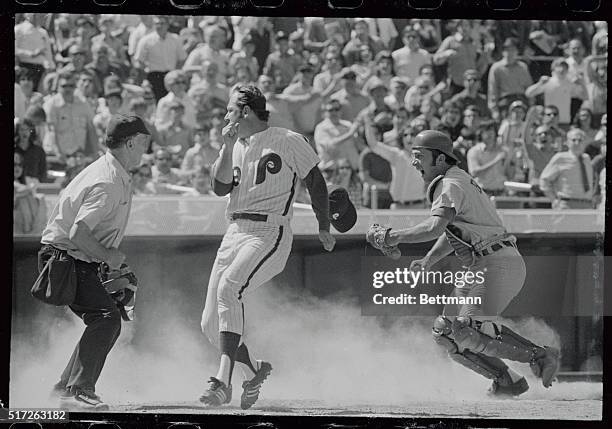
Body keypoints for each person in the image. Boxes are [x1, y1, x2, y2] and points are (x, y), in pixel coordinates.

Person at [365, 129, 560, 397]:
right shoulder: (456, 179)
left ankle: (540, 356)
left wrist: (393, 236)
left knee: (468, 329)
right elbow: (451, 231)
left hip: (496, 262)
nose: (414, 162)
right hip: (482, 263)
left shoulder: (449, 184)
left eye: (420, 156)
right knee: (446, 331)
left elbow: (435, 227)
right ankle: (507, 381)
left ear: (441, 159)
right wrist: (428, 260)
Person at [199, 85, 336, 409]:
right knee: (209, 325)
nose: (226, 114)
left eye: (231, 109)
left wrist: (323, 225)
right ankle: (255, 370)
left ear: (246, 111)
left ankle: (222, 383)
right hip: (233, 229)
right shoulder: (235, 144)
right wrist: (226, 144)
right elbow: (219, 188)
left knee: (229, 290)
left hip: (268, 230)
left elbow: (315, 182)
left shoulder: (287, 139)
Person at [42, 115, 151, 409]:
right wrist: (109, 258)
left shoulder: (113, 171)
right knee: (106, 318)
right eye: (143, 142)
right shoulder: (108, 180)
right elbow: (79, 232)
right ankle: (77, 392)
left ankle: (65, 387)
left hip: (74, 257)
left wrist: (107, 262)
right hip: (65, 258)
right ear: (129, 142)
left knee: (104, 318)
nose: (146, 148)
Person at [539, 128, 594, 209]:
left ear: (584, 143)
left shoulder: (587, 158)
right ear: (567, 142)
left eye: (580, 140)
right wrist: (553, 200)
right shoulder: (560, 157)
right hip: (567, 204)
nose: (577, 143)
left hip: (587, 205)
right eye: (573, 140)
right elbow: (544, 180)